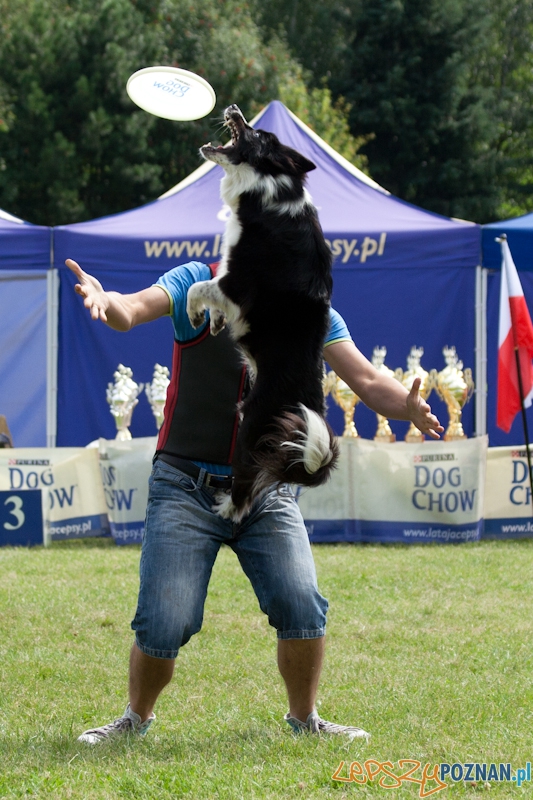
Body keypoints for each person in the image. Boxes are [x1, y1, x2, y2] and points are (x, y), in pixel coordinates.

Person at [66, 257, 443, 744]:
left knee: (301, 602)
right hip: (185, 485)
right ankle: (135, 719)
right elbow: (133, 308)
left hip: (266, 491)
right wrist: (106, 301)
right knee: (165, 618)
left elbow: (368, 381)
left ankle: (305, 720)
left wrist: (406, 406)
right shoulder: (192, 285)